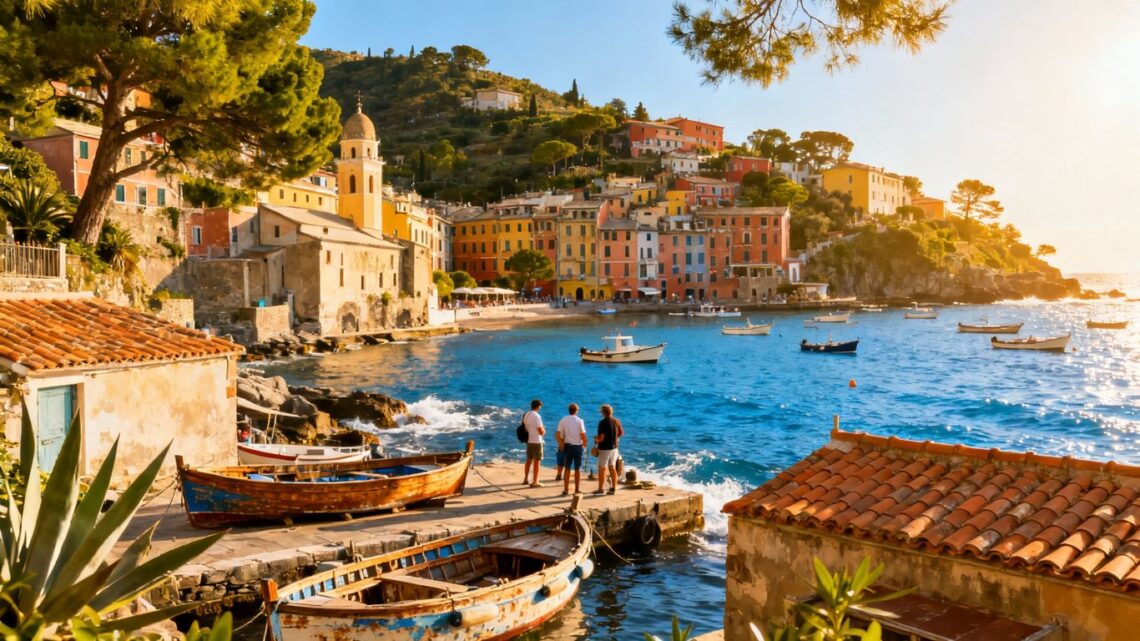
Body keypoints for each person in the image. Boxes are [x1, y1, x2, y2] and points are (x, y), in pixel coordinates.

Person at [555, 403, 588, 496]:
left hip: (567, 446)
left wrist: (561, 443)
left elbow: (558, 434)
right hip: (577, 447)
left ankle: (566, 490)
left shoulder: (563, 420)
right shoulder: (579, 421)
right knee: (577, 469)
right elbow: (582, 435)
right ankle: (577, 489)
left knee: (567, 468)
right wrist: (585, 444)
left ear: (569, 410)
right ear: (576, 411)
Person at [594, 404, 623, 495]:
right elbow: (621, 433)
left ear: (603, 412)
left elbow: (601, 437)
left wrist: (596, 440)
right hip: (614, 448)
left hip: (605, 448)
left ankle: (600, 489)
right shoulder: (616, 421)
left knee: (602, 468)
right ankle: (613, 488)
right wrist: (614, 438)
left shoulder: (602, 423)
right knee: (612, 467)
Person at [522, 399, 545, 487]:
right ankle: (535, 481)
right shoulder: (537, 416)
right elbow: (541, 431)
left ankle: (526, 478)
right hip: (537, 441)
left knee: (528, 460)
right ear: (538, 406)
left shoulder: (526, 414)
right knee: (537, 462)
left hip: (529, 441)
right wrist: (544, 430)